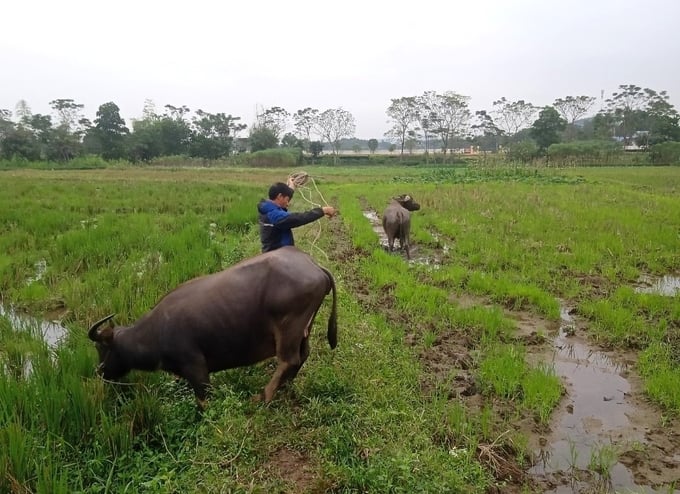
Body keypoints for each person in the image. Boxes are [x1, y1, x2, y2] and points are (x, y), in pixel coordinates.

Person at [257, 182, 337, 253]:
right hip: (278, 257)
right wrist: (322, 211)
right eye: (287, 200)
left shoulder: (268, 208)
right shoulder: (274, 215)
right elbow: (298, 218)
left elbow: (283, 207)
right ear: (279, 196)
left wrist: (291, 188)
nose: (288, 204)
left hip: (275, 254)